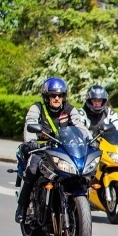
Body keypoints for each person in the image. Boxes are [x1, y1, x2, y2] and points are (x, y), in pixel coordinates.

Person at [14, 77, 90, 223]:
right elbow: (30, 124)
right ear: (46, 96)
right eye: (53, 95)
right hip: (42, 149)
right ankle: (22, 207)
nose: (56, 98)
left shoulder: (70, 109)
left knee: (82, 172)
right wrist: (31, 142)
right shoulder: (37, 108)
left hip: (63, 149)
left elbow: (80, 127)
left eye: (60, 95)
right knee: (32, 170)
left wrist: (88, 139)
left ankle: (76, 204)